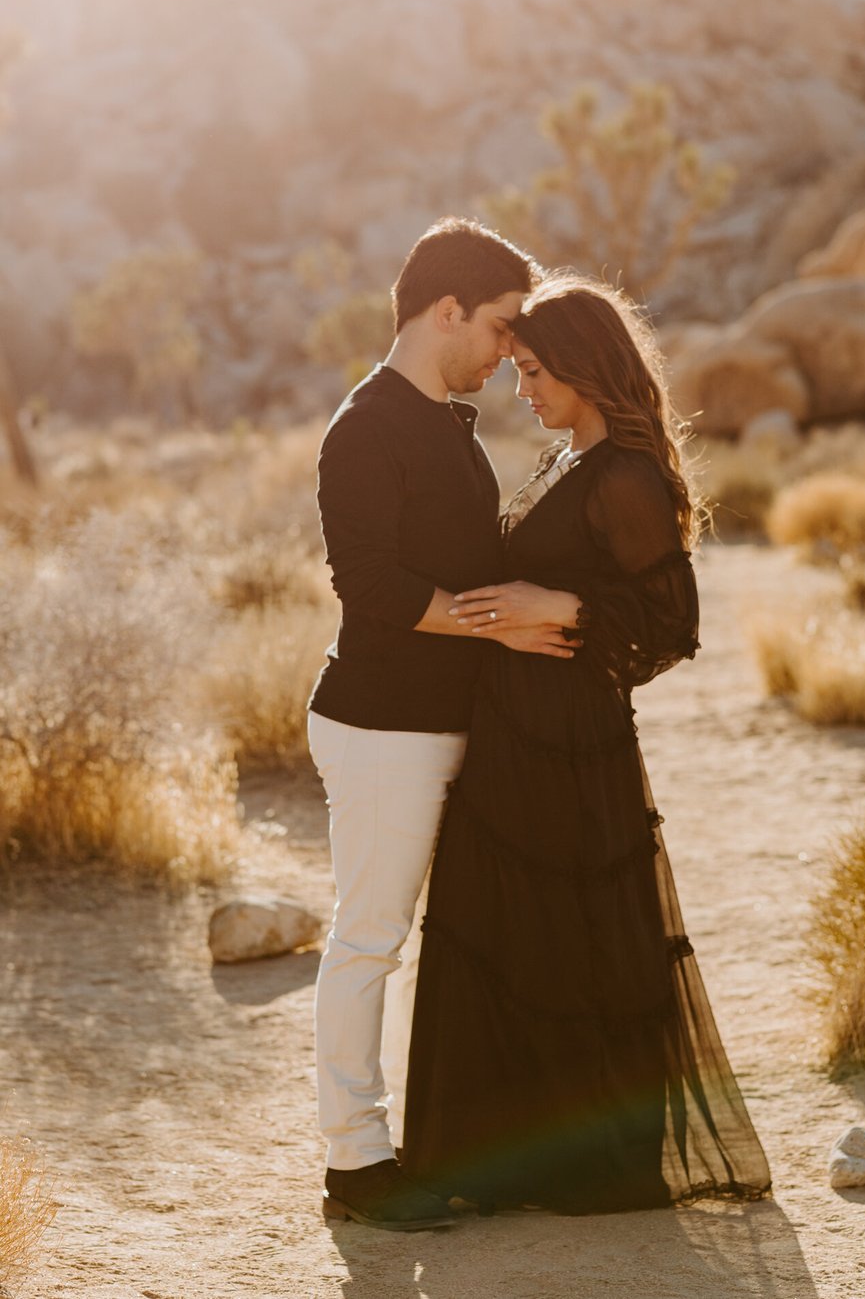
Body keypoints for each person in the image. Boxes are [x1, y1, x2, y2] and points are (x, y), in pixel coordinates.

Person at [401, 273, 773, 1215]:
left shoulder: (628, 477)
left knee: (571, 939)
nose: (520, 387)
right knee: (502, 933)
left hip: (572, 740)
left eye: (534, 371)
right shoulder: (566, 460)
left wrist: (553, 605)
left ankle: (583, 1165)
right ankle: (495, 1160)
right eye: (517, 367)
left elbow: (672, 622)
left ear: (584, 367)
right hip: (512, 731)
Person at [307, 218, 580, 1233]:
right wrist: (499, 629)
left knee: (437, 941)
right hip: (383, 726)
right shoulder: (366, 426)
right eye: (503, 326)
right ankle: (354, 1164)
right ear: (446, 309)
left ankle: (441, 1141)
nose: (511, 350)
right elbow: (369, 583)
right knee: (368, 939)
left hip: (438, 724)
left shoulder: (443, 427)